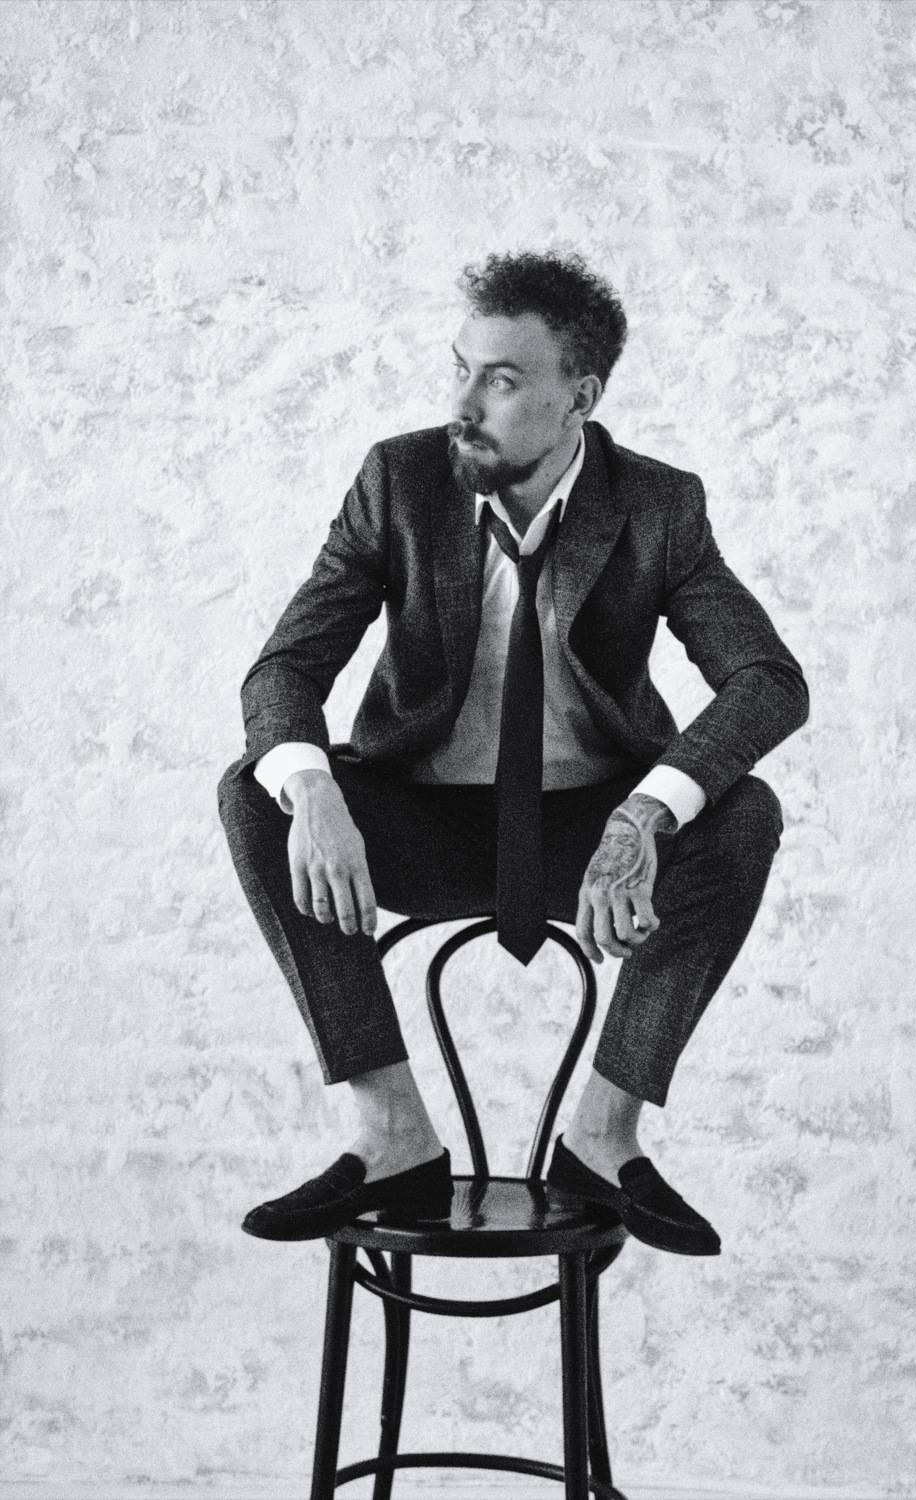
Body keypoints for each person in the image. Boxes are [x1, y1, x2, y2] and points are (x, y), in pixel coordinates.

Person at [216, 250, 809, 1255]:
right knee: (255, 790)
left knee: (744, 812)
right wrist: (314, 793)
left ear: (579, 397)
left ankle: (602, 1139)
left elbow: (767, 680)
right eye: (459, 368)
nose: (463, 403)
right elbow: (284, 670)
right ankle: (393, 1134)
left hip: (592, 836)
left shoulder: (657, 505)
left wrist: (645, 812)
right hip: (422, 824)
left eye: (499, 380)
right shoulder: (399, 482)